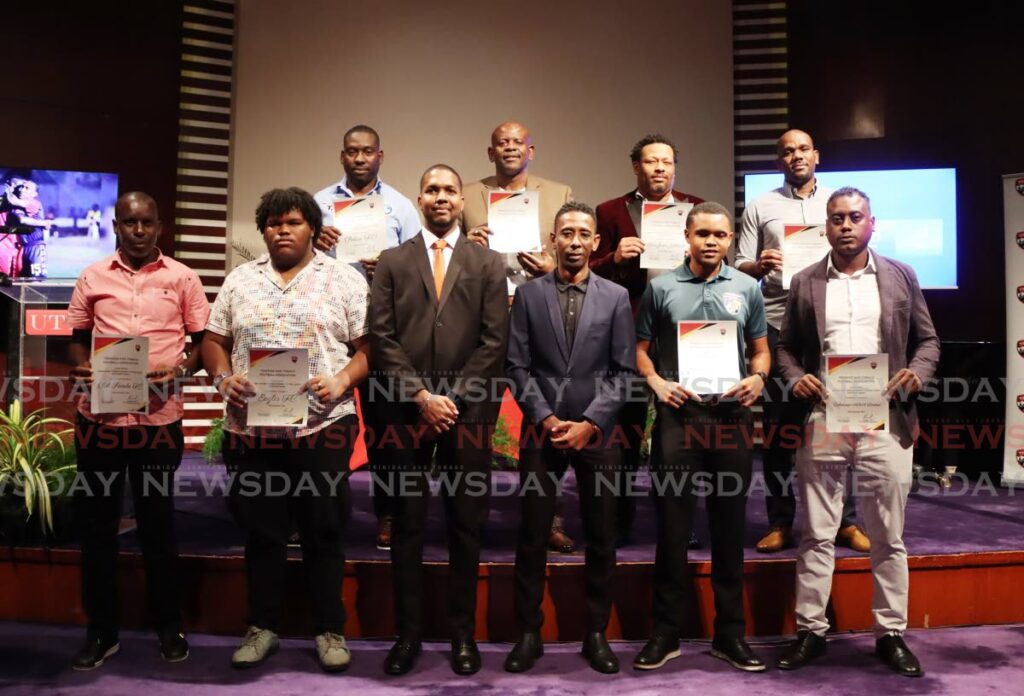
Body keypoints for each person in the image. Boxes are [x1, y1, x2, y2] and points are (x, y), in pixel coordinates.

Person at [202, 187, 370, 672]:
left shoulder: (343, 279)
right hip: (251, 431)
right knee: (263, 532)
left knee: (323, 529)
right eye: (273, 223)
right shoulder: (240, 280)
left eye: (293, 222)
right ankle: (263, 627)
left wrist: (341, 379)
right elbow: (215, 340)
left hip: (323, 425)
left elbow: (369, 347)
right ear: (263, 230)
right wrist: (221, 376)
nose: (282, 230)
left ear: (313, 229)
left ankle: (329, 628)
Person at [774, 187, 939, 677]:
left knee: (888, 535)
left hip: (885, 417)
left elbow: (928, 342)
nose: (845, 225)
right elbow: (784, 351)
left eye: (855, 217)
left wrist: (917, 373)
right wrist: (794, 377)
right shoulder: (804, 281)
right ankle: (810, 631)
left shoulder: (901, 276)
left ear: (872, 223)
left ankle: (890, 633)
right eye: (837, 218)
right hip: (825, 418)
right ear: (825, 226)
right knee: (817, 533)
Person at [370, 164, 508, 676]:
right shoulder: (391, 260)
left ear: (461, 199)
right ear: (420, 198)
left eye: (450, 190)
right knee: (406, 526)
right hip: (404, 412)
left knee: (465, 525)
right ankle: (407, 637)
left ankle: (461, 636)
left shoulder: (488, 262)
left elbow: (495, 341)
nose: (442, 197)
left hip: (466, 412)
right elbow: (381, 337)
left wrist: (448, 399)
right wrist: (421, 396)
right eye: (432, 190)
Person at [67, 191, 209, 670]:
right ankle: (101, 631)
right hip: (100, 420)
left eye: (147, 222)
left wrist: (181, 371)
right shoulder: (92, 276)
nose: (139, 230)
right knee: (97, 529)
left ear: (160, 226)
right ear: (116, 225)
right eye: (130, 222)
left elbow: (203, 341)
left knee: (157, 526)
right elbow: (76, 338)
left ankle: (169, 627)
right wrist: (82, 368)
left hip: (157, 419)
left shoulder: (182, 277)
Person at [632, 202, 770, 673]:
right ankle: (664, 633)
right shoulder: (660, 288)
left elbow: (761, 352)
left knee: (729, 530)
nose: (711, 242)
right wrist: (656, 383)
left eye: (721, 235)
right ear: (687, 237)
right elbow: (640, 351)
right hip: (679, 418)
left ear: (731, 240)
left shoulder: (747, 288)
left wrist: (759, 379)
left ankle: (730, 635)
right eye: (703, 234)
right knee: (672, 530)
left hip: (732, 420)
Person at [504, 201, 635, 674]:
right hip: (543, 431)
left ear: (596, 242)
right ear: (553, 240)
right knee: (532, 534)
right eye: (566, 233)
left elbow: (623, 372)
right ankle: (528, 633)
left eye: (584, 233)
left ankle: (595, 634)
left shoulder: (617, 297)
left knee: (602, 535)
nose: (575, 241)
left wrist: (591, 422)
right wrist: (543, 416)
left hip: (597, 434)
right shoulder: (528, 295)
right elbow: (515, 365)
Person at [736, 129, 868, 554]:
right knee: (780, 431)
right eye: (787, 151)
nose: (796, 156)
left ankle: (846, 522)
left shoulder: (838, 203)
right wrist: (758, 264)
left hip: (834, 324)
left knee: (844, 425)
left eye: (803, 149)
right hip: (778, 323)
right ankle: (780, 520)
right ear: (779, 160)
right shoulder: (761, 205)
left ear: (817, 155)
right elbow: (738, 263)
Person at [462, 120, 576, 554]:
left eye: (517, 142)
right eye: (501, 143)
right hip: (484, 317)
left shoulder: (559, 192)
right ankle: (473, 517)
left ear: (532, 150)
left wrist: (552, 266)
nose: (510, 148)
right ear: (490, 152)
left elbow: (571, 246)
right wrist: (464, 241)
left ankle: (550, 518)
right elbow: (446, 248)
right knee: (477, 418)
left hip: (539, 311)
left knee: (545, 414)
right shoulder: (467, 194)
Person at [591, 134, 704, 545]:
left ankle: (679, 521)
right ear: (635, 166)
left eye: (666, 162)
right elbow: (588, 270)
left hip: (685, 333)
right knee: (627, 429)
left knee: (681, 434)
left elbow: (715, 260)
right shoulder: (610, 212)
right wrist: (615, 258)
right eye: (651, 162)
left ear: (675, 167)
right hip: (629, 331)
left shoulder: (696, 208)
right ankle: (619, 521)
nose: (659, 168)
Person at [312, 124, 421, 551]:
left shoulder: (400, 206)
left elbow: (419, 264)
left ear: (380, 155)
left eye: (367, 152)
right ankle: (313, 512)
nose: (359, 159)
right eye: (352, 152)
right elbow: (300, 258)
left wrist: (391, 266)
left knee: (383, 428)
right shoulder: (320, 203)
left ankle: (388, 514)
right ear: (342, 156)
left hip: (381, 327)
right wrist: (317, 246)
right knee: (320, 423)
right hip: (328, 327)